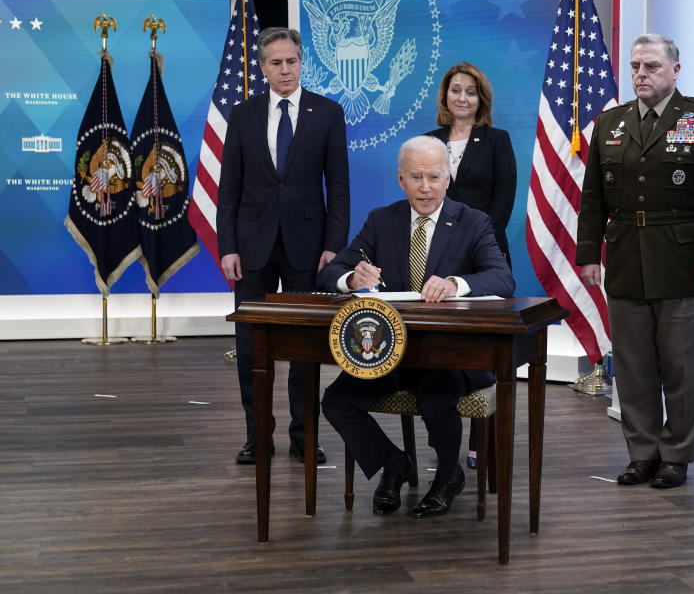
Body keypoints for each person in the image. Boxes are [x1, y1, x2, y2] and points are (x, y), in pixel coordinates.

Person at [318, 135, 514, 518]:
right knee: (337, 401)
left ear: (447, 178)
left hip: (450, 356)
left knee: (436, 398)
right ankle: (394, 465)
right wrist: (351, 280)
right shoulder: (381, 220)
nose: (425, 187)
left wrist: (457, 283)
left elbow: (502, 278)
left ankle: (447, 476)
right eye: (416, 177)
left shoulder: (474, 222)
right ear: (401, 179)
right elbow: (331, 273)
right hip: (390, 355)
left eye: (434, 177)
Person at [576, 33, 694, 489]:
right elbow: (593, 198)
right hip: (626, 258)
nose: (640, 75)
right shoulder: (610, 123)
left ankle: (676, 456)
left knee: (683, 369)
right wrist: (589, 254)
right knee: (633, 368)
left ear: (675, 70)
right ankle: (642, 453)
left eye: (650, 66)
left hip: (685, 262)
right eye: (634, 67)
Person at [217, 27, 349, 465]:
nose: (285, 69)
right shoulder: (243, 114)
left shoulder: (327, 112)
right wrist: (227, 246)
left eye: (291, 60)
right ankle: (258, 437)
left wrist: (335, 246)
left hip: (308, 248)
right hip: (251, 247)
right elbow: (230, 187)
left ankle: (304, 435)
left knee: (304, 347)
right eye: (276, 62)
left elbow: (340, 187)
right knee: (252, 345)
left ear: (301, 60)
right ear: (262, 67)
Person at [425, 62, 516, 468]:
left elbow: (502, 203)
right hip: (435, 260)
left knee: (482, 353)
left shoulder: (497, 140)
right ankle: (442, 437)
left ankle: (481, 442)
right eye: (455, 90)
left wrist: (473, 245)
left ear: (481, 99)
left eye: (471, 92)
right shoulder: (428, 142)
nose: (462, 98)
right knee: (442, 352)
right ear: (445, 96)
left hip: (485, 257)